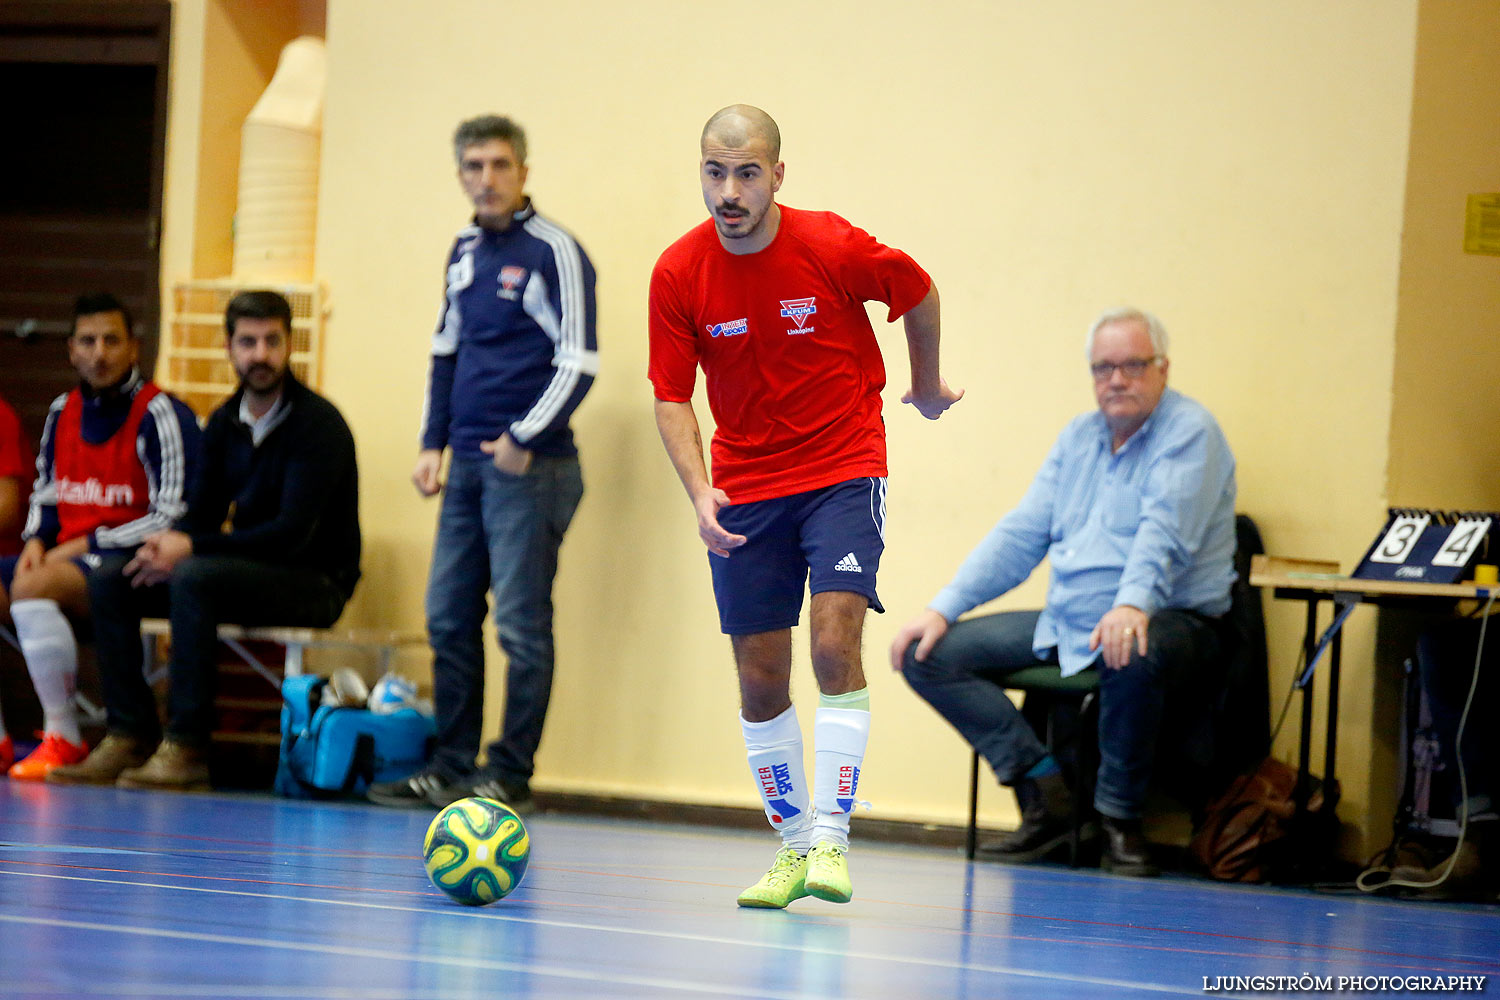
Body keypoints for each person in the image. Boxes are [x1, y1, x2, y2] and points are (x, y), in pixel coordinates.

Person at [649, 105, 962, 909]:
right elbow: (671, 396)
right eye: (714, 172)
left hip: (841, 467)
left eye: (746, 172)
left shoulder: (828, 244)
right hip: (746, 488)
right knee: (759, 680)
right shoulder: (678, 273)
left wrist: (923, 385)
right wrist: (699, 490)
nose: (729, 190)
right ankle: (791, 851)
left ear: (777, 175)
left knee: (832, 646)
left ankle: (831, 841)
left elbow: (917, 292)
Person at [891, 307, 1236, 878]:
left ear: (1163, 368)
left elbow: (1164, 535)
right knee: (930, 654)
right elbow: (1022, 533)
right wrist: (941, 607)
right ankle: (1048, 796)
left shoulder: (1191, 433)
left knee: (1131, 644)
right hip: (1072, 618)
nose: (1116, 379)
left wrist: (1131, 605)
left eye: (1132, 365)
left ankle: (1119, 823)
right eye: (1103, 368)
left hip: (1173, 617)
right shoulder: (1078, 437)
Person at [367, 115, 596, 815]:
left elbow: (580, 361)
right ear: (461, 175)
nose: (487, 178)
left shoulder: (557, 251)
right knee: (447, 618)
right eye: (474, 166)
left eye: (500, 165)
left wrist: (522, 436)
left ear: (523, 171)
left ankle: (510, 773)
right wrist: (431, 443)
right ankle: (453, 764)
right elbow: (446, 350)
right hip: (463, 466)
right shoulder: (464, 250)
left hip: (531, 469)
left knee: (522, 627)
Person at [49, 290, 360, 790]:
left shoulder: (318, 425)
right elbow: (202, 517)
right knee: (112, 578)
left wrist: (189, 549)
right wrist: (160, 548)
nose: (260, 355)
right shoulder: (222, 422)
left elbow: (291, 535)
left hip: (315, 580)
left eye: (271, 341)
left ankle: (187, 747)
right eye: (248, 342)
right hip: (248, 572)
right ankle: (128, 732)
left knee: (193, 575)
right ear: (229, 348)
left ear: (289, 346)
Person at [0, 293, 199, 780]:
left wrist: (86, 544)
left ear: (134, 348)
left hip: (132, 560)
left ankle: (62, 735)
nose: (99, 353)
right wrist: (35, 542)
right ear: (70, 349)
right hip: (66, 557)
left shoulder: (161, 412)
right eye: (87, 341)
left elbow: (172, 513)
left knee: (30, 588)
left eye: (112, 340)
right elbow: (46, 491)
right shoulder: (61, 410)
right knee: (25, 578)